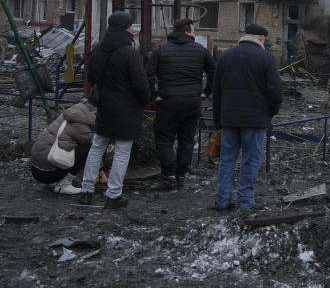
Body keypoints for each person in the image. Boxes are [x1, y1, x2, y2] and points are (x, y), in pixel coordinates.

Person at [78, 11, 150, 209]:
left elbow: (91, 76)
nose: (133, 29)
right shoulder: (129, 53)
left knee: (97, 147)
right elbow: (140, 85)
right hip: (126, 109)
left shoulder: (98, 49)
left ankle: (86, 191)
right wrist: (144, 101)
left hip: (105, 107)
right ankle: (113, 194)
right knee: (122, 152)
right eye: (131, 26)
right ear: (125, 28)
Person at [212, 23, 282, 212]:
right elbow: (275, 91)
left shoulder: (226, 56)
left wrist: (217, 120)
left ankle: (222, 201)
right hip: (255, 120)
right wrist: (271, 112)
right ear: (260, 39)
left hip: (229, 119)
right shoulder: (266, 58)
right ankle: (245, 203)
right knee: (250, 161)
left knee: (227, 160)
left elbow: (216, 90)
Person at [147, 17, 216, 190]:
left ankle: (168, 176)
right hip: (192, 102)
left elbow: (147, 74)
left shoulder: (161, 50)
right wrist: (205, 92)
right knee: (186, 140)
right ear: (187, 31)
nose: (195, 33)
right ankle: (181, 176)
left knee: (164, 139)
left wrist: (154, 95)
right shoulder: (200, 50)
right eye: (193, 30)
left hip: (168, 102)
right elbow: (215, 72)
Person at [30, 100, 96, 195]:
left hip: (36, 169)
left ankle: (56, 181)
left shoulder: (73, 113)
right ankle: (64, 185)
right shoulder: (81, 123)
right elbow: (95, 143)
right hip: (46, 174)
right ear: (94, 113)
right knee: (87, 148)